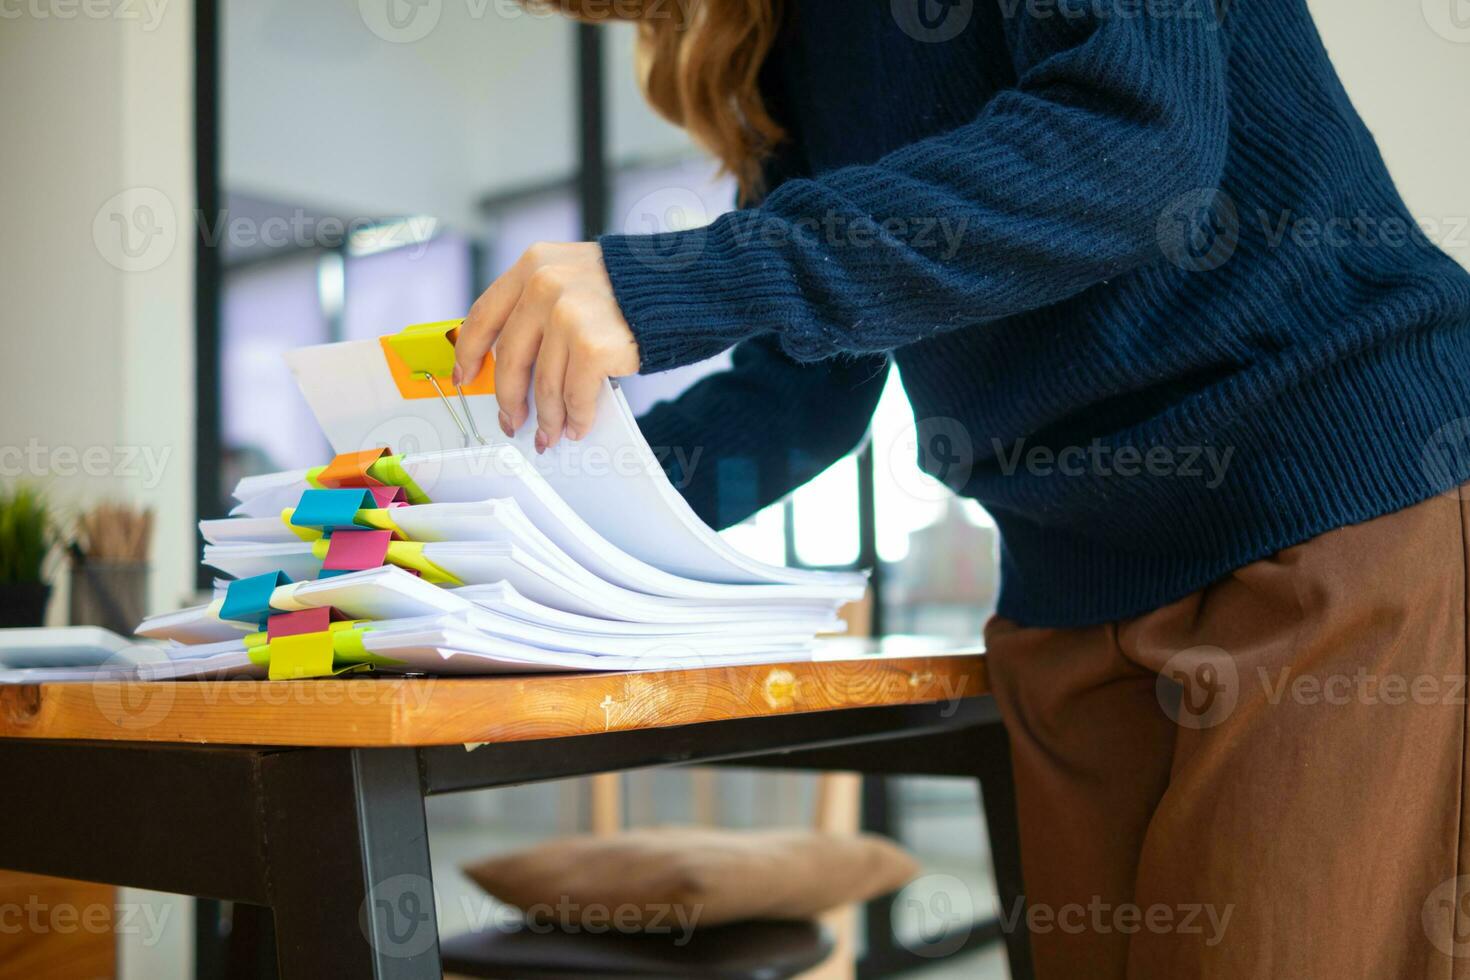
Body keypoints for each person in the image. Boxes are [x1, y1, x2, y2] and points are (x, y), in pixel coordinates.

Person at [452, 1, 1470, 975]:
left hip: (1332, 507)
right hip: (1068, 595)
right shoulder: (786, 41)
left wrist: (678, 277)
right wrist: (511, 513)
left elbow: (1135, 135)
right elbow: (803, 391)